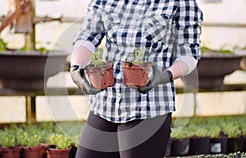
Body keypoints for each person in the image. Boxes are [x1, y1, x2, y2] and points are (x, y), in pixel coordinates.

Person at [70, 0, 203, 157]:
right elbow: (88, 36)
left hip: (149, 107)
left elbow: (189, 55)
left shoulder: (180, 3)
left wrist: (165, 75)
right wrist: (76, 67)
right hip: (105, 103)